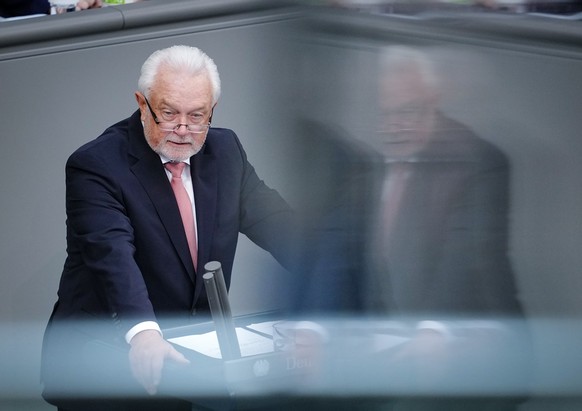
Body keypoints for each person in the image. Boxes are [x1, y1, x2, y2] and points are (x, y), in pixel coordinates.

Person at [41, 45, 297, 410]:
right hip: (107, 363)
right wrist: (144, 334)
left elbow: (279, 225)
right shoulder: (96, 165)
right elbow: (112, 258)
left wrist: (325, 281)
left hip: (194, 362)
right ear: (142, 104)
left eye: (197, 116)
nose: (182, 129)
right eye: (168, 113)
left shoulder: (225, 153)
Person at [291, 46, 529, 410]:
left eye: (409, 112)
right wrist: (313, 329)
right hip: (391, 354)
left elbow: (464, 255)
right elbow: (335, 249)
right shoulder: (362, 168)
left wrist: (434, 328)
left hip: (470, 349)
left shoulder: (477, 162)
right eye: (386, 115)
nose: (396, 127)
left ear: (433, 101)